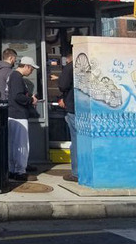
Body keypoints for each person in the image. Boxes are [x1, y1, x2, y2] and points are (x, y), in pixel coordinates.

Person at [7, 56, 38, 182]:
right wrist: (31, 99)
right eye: (32, 69)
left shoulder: (13, 76)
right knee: (21, 144)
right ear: (26, 66)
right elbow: (18, 96)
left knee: (13, 144)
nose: (32, 72)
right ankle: (20, 171)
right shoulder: (17, 77)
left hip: (13, 114)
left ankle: (12, 169)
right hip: (18, 115)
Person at [58, 53, 78, 182]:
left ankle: (76, 172)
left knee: (76, 140)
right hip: (88, 108)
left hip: (72, 107)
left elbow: (63, 85)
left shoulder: (70, 67)